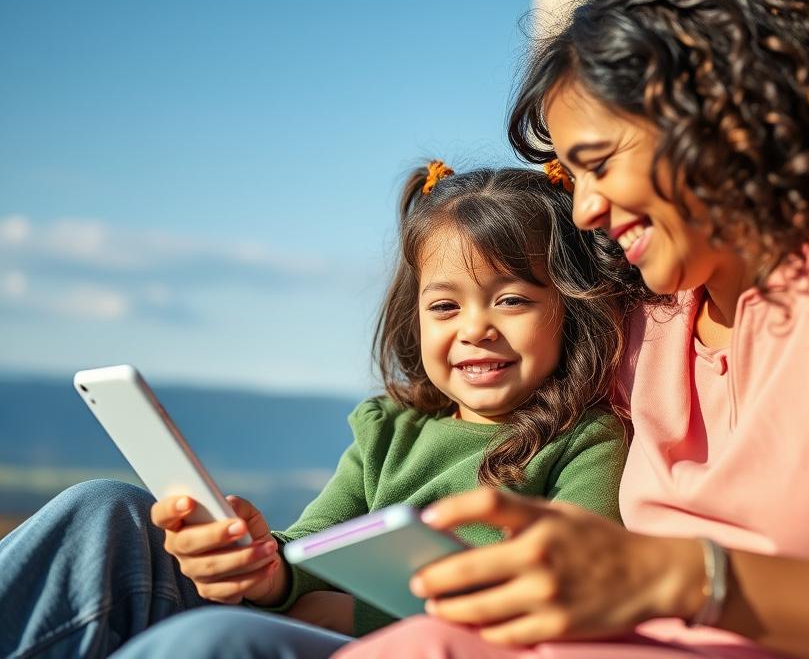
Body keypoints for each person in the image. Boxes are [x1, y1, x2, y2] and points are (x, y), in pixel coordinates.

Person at [329, 0, 809, 657]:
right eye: (573, 175)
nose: (586, 207)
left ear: (724, 121)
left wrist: (684, 577)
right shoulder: (643, 317)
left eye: (599, 164)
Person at [0, 162, 634, 658]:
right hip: (317, 631)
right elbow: (311, 549)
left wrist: (359, 616)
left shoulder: (587, 441)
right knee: (104, 506)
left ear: (570, 309)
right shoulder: (389, 430)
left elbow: (565, 595)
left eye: (512, 301)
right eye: (445, 307)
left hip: (415, 648)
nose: (475, 329)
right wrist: (260, 561)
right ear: (413, 319)